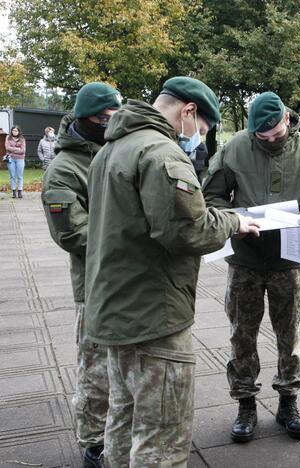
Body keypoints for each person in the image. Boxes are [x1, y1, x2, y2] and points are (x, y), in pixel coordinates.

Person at [84, 76, 259, 467]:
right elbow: (187, 229)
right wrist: (233, 223)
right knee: (161, 437)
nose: (199, 137)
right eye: (203, 128)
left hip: (115, 307)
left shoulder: (111, 149)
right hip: (153, 314)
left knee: (123, 424)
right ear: (189, 111)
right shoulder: (161, 153)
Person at [202, 91, 300, 443]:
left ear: (287, 120)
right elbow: (211, 197)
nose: (271, 140)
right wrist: (234, 219)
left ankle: (288, 402)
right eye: (263, 138)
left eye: (276, 134)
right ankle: (245, 404)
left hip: (288, 261)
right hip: (245, 258)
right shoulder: (234, 148)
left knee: (289, 335)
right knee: (241, 334)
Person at [41, 82, 121, 467]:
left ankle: (120, 433)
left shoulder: (115, 151)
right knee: (96, 369)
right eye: (105, 119)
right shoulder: (64, 169)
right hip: (95, 285)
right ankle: (92, 442)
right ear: (88, 118)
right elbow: (72, 233)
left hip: (131, 281)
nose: (111, 124)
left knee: (126, 367)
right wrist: (132, 238)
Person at [5, 125, 26, 198]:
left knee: (20, 176)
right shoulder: (8, 137)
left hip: (20, 159)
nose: (14, 132)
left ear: (19, 132)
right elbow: (7, 148)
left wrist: (12, 150)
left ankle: (20, 191)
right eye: (13, 130)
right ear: (11, 131)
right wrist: (17, 149)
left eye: (16, 131)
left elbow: (23, 151)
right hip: (10, 159)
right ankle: (14, 192)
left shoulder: (22, 139)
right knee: (12, 176)